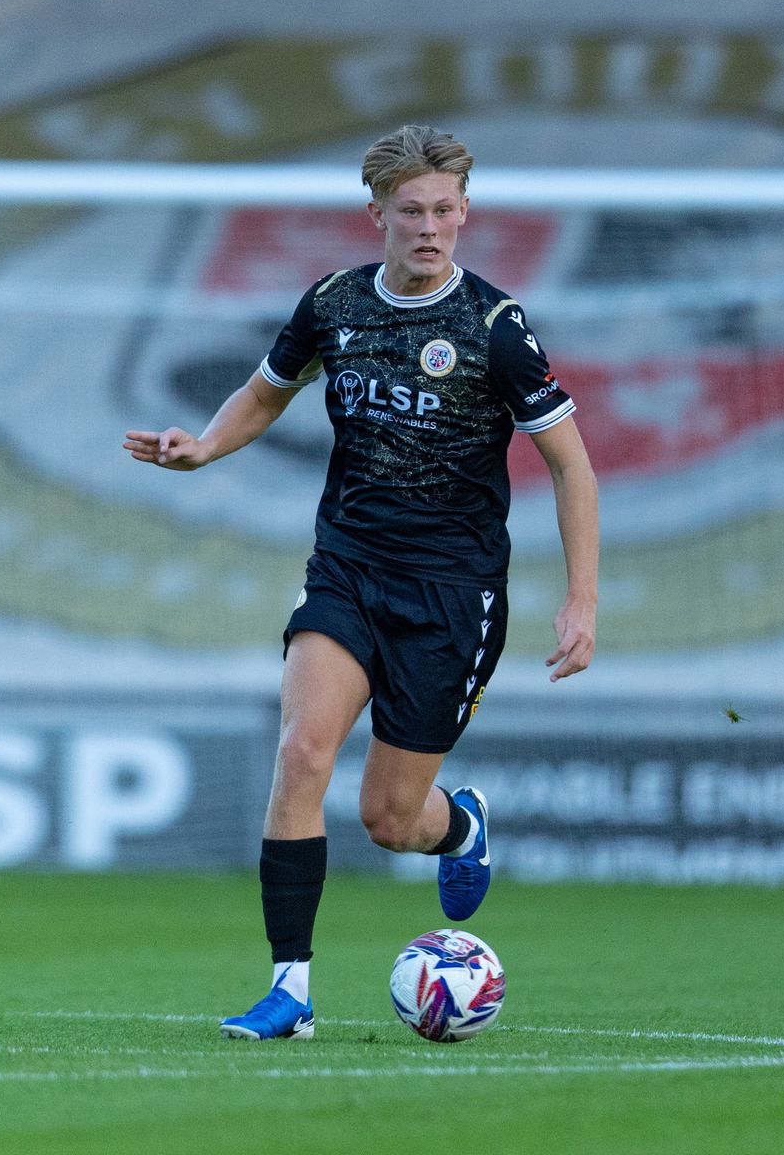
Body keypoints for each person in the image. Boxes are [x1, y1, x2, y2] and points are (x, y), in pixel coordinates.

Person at [124, 124, 598, 1041]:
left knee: (388, 818)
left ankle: (457, 828)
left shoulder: (494, 327)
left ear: (466, 212)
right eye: (412, 212)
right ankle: (290, 992)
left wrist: (581, 600)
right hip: (347, 568)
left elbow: (574, 468)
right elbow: (267, 389)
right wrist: (204, 447)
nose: (430, 229)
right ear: (376, 213)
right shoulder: (335, 302)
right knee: (302, 755)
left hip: (452, 596)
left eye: (446, 211)